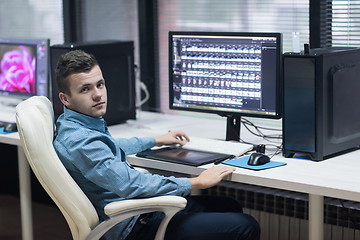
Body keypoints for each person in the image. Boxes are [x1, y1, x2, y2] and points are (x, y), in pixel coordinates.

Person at [53, 49, 260, 240]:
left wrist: (155, 140)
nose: (98, 94)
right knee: (246, 225)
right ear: (66, 98)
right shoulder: (81, 141)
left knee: (229, 205)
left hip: (137, 210)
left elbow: (109, 147)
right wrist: (195, 182)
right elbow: (132, 185)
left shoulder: (73, 125)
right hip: (134, 225)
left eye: (100, 84)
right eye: (85, 89)